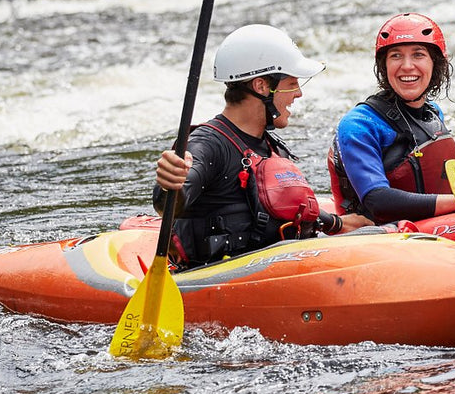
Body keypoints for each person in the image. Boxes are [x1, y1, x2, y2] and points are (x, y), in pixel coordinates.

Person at [154, 24, 370, 268]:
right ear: (261, 86)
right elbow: (170, 204)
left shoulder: (269, 146)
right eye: (291, 83)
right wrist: (170, 184)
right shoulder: (207, 145)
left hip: (277, 269)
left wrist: (337, 223)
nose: (298, 93)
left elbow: (289, 210)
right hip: (224, 280)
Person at [328, 12, 455, 225]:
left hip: (426, 225)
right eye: (396, 56)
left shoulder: (432, 114)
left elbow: (435, 182)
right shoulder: (359, 125)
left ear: (435, 64)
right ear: (384, 66)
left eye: (418, 55)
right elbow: (379, 202)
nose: (407, 66)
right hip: (376, 234)